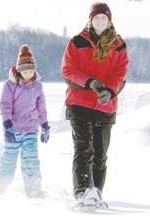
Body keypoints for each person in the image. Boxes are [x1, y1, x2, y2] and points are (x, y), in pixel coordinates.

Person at [61, 2, 129, 206]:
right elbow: (67, 70)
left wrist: (109, 90)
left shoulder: (119, 44)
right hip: (79, 104)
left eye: (104, 18)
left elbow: (121, 73)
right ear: (91, 19)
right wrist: (89, 82)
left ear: (109, 21)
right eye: (97, 17)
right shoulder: (77, 42)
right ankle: (82, 192)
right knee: (84, 150)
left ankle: (96, 194)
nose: (100, 21)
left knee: (100, 155)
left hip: (105, 106)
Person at [0, 44, 50, 198]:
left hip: (31, 129)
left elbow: (42, 108)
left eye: (31, 70)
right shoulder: (10, 85)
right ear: (19, 70)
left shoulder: (38, 86)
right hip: (13, 129)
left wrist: (45, 126)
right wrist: (7, 125)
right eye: (25, 71)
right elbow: (5, 105)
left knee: (31, 160)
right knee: (9, 159)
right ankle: (2, 187)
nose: (28, 74)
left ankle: (34, 190)